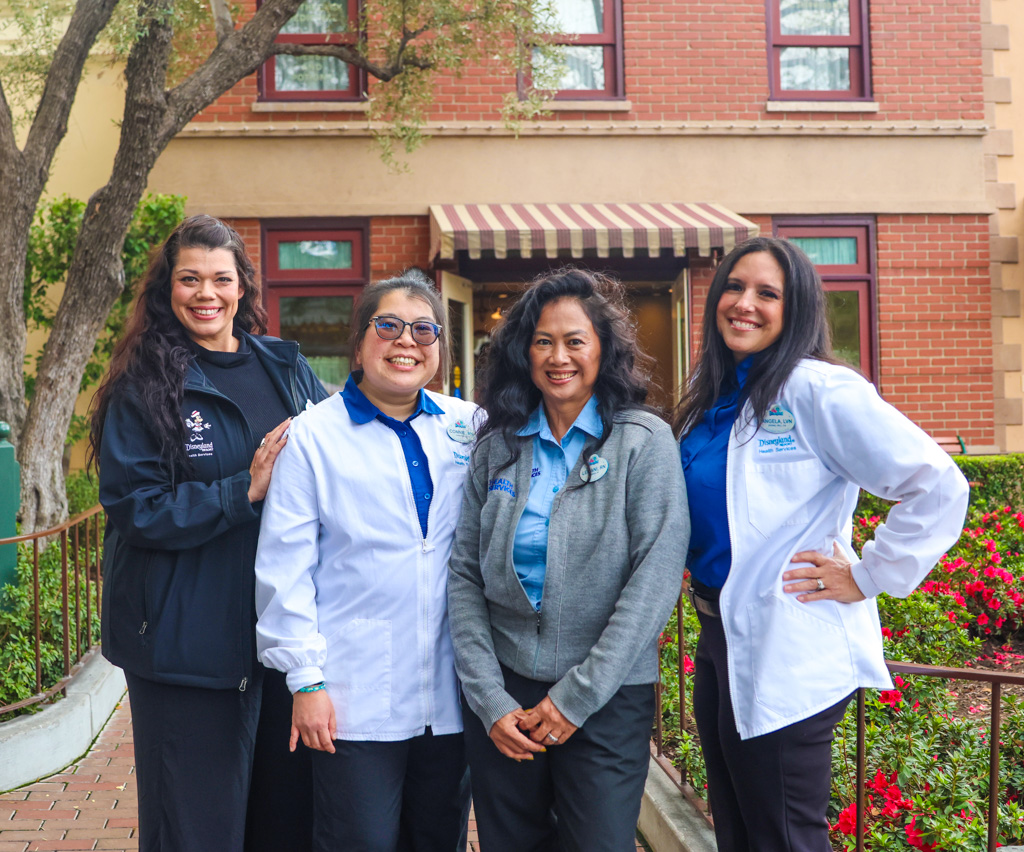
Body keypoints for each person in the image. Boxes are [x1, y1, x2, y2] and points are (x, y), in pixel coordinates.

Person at [674, 236, 970, 852]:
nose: (744, 303)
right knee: (737, 826)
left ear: (797, 309)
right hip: (718, 636)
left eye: (767, 293)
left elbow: (938, 484)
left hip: (789, 640)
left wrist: (868, 576)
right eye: (734, 286)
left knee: (784, 834)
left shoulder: (819, 390)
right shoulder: (711, 390)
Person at [91, 215, 328, 852]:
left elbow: (341, 457)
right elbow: (136, 508)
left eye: (221, 279)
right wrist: (242, 490)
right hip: (184, 647)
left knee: (280, 826)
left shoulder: (283, 364)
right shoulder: (142, 385)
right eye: (190, 279)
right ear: (168, 289)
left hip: (276, 642)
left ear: (242, 286)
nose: (206, 294)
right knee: (195, 831)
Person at [447, 268, 689, 852]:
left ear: (603, 350)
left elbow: (655, 577)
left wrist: (575, 697)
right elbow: (463, 576)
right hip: (507, 699)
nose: (559, 356)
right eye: (543, 341)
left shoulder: (642, 441)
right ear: (523, 352)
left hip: (606, 697)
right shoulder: (499, 447)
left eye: (575, 340)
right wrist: (489, 699)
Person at [254, 269, 478, 852]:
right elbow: (285, 570)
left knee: (438, 839)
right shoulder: (312, 436)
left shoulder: (469, 426)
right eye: (389, 326)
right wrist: (306, 681)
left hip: (453, 693)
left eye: (424, 329)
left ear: (439, 349)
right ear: (359, 344)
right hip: (354, 697)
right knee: (360, 840)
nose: (407, 340)